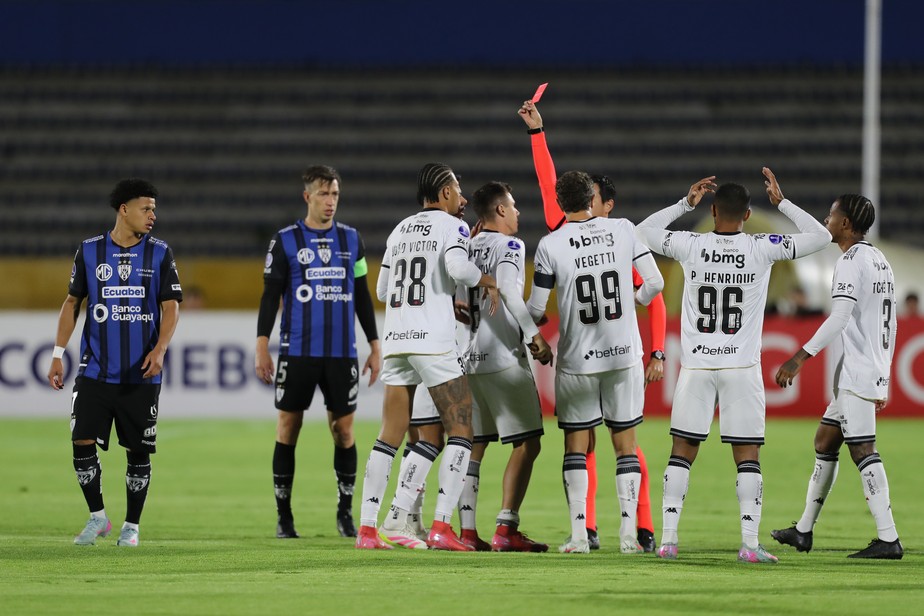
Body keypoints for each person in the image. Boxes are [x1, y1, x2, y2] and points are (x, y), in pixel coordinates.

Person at [635, 168, 831, 563]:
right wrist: (782, 203)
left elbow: (641, 232)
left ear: (712, 211)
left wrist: (683, 203)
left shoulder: (690, 244)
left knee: (681, 451)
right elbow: (822, 237)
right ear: (747, 215)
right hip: (741, 368)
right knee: (747, 456)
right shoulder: (762, 247)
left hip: (697, 366)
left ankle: (669, 541)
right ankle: (749, 545)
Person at [519, 100, 666, 552]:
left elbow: (536, 307)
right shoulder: (624, 230)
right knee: (627, 446)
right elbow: (656, 286)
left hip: (578, 360)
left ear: (559, 204)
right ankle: (631, 534)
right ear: (592, 200)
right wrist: (630, 306)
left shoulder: (551, 243)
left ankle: (581, 536)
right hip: (622, 355)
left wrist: (532, 334)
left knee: (576, 448)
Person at [355, 162, 503, 551]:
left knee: (388, 435)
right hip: (433, 343)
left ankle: (368, 530)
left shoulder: (399, 229)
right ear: (444, 193)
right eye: (458, 190)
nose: (463, 198)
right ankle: (440, 527)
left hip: (397, 339)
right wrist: (486, 279)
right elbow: (457, 268)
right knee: (462, 430)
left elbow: (383, 290)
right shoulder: (453, 227)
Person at [47, 178, 182, 547]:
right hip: (94, 369)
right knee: (81, 439)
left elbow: (171, 306)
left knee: (138, 450)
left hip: (141, 373)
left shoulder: (160, 253)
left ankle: (131, 526)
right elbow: (72, 303)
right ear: (124, 210)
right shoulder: (90, 251)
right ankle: (98, 517)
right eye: (146, 208)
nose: (153, 215)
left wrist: (161, 349)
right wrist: (58, 353)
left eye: (154, 209)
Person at [771, 194, 903, 559]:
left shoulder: (850, 262)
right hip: (865, 369)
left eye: (831, 215)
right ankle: (803, 530)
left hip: (859, 372)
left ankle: (889, 538)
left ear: (845, 223)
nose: (826, 220)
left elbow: (840, 318)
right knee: (825, 441)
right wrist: (782, 203)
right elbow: (888, 324)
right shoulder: (879, 260)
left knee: (863, 450)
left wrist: (798, 357)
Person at [255, 165, 381, 540]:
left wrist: (375, 344)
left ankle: (345, 513)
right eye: (324, 194)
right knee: (288, 427)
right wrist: (262, 344)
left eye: (335, 194)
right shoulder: (285, 241)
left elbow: (361, 294)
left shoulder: (352, 239)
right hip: (297, 351)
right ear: (307, 196)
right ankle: (284, 517)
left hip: (341, 354)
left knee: (344, 430)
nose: (330, 201)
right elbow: (270, 295)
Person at [445, 181, 553, 552]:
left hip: (469, 359)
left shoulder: (466, 246)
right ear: (501, 210)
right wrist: (534, 336)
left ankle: (467, 531)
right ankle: (506, 528)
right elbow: (507, 289)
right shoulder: (510, 245)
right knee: (528, 443)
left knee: (474, 446)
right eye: (514, 206)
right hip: (504, 358)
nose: (518, 212)